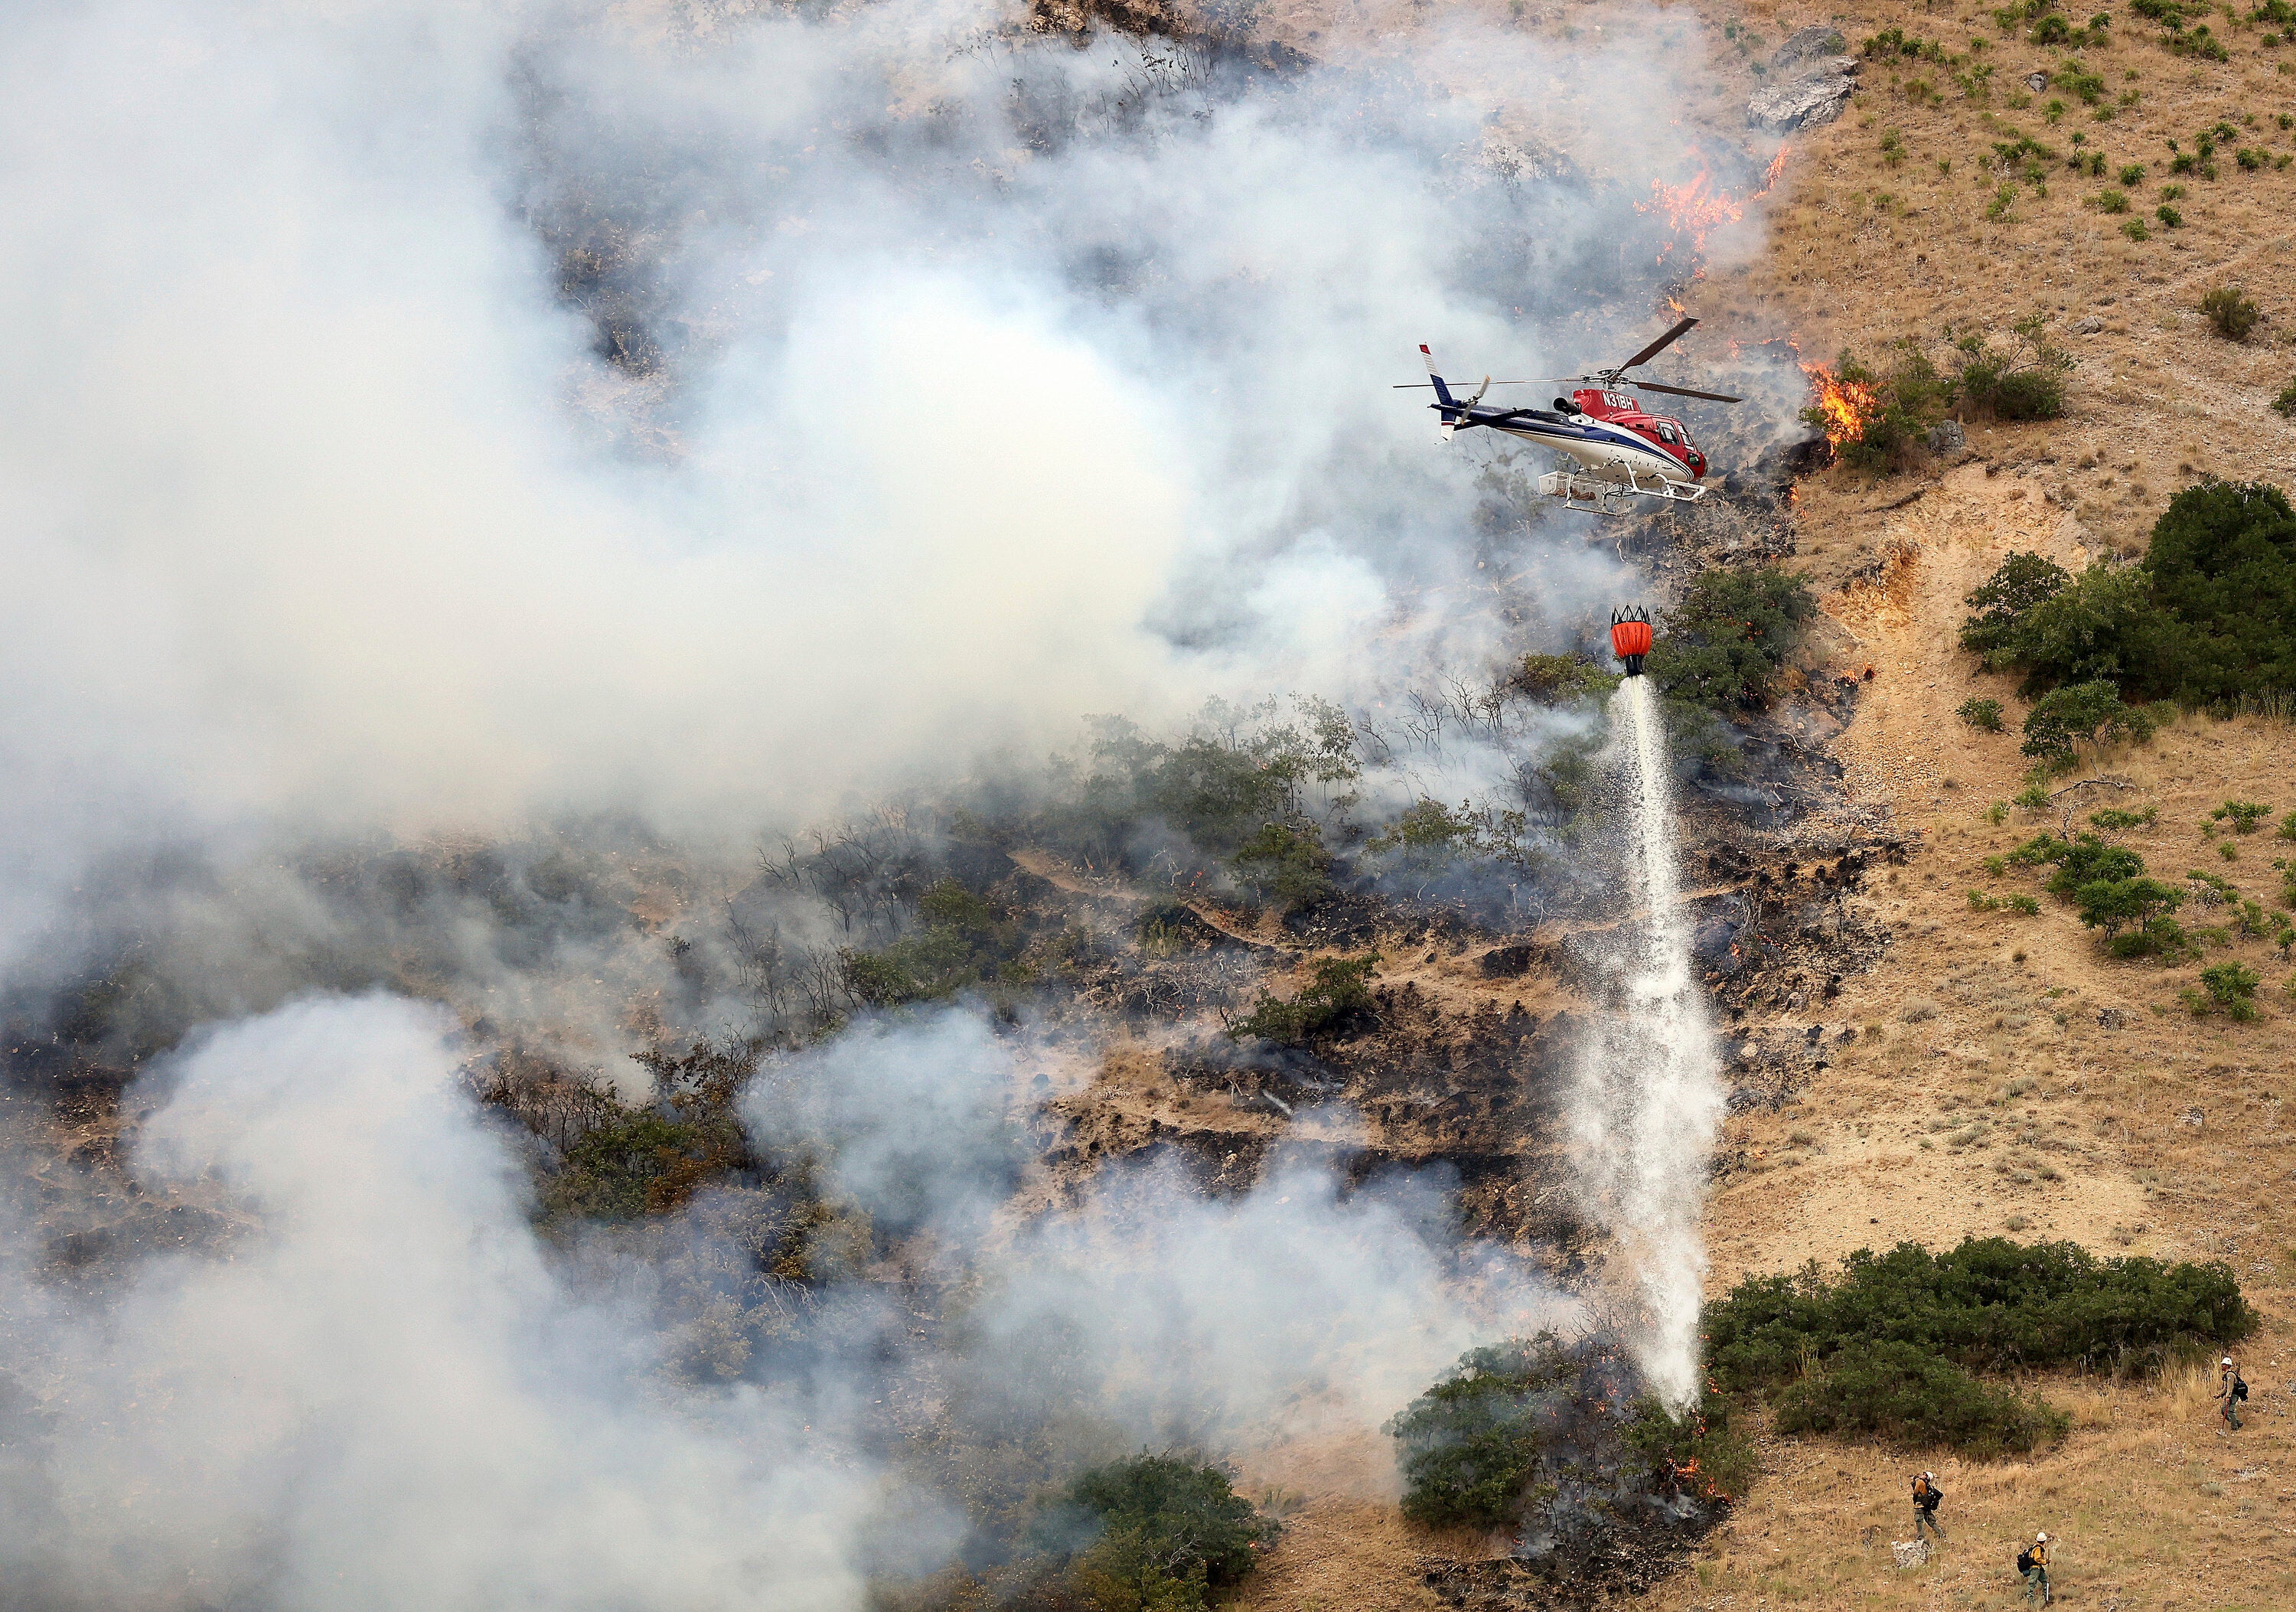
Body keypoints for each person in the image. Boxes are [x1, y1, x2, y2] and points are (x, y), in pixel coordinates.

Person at [2017, 1531, 2050, 1605]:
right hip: (2035, 1569)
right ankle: (2030, 1602)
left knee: (2046, 1580)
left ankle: (2046, 1598)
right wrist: (2045, 1561)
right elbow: (2037, 1559)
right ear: (2044, 1541)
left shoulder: (2034, 1547)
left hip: (2038, 1568)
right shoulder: (2038, 1548)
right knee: (2032, 1584)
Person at [1910, 1470, 1945, 1542]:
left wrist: (1915, 1500)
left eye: (1924, 1474)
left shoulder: (1920, 1482)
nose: (1922, 1475)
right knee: (1931, 1522)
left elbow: (1916, 1492)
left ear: (1926, 1477)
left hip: (1919, 1506)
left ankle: (1921, 1538)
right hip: (1926, 1506)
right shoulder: (1928, 1486)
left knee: (1919, 1520)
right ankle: (1941, 1534)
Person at [2218, 1356, 2248, 1431]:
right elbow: (2226, 1387)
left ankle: (2235, 1428)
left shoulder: (2230, 1375)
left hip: (2233, 1395)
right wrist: (2220, 1394)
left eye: (2224, 1364)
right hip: (2231, 1394)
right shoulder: (2227, 1374)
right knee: (2223, 1410)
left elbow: (2230, 1387)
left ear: (2227, 1365)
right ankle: (2238, 1423)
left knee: (2230, 1410)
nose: (2222, 1366)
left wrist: (2228, 1397)